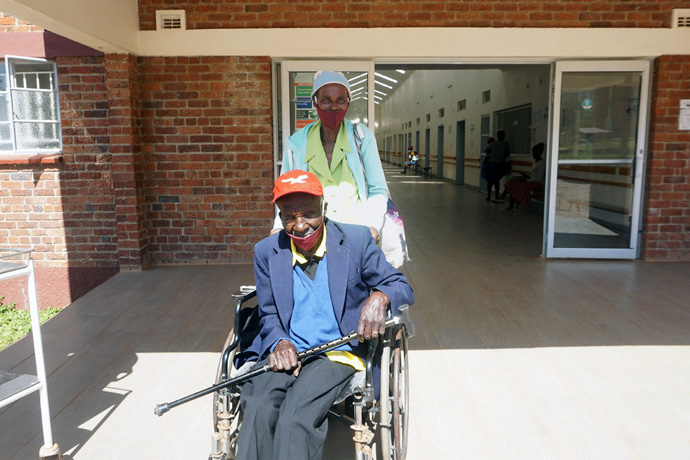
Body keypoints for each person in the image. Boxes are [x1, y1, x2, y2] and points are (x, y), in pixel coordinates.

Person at [237, 170, 415, 460]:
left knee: (296, 417)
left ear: (324, 207)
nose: (300, 225)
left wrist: (380, 297)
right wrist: (280, 341)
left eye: (308, 214)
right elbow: (268, 312)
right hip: (289, 350)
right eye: (289, 217)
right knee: (257, 405)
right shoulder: (267, 251)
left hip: (337, 351)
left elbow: (400, 285)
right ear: (280, 217)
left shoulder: (355, 241)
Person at [272, 70, 388, 245]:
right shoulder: (296, 143)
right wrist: (279, 226)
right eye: (326, 100)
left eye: (340, 100)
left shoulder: (362, 138)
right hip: (311, 233)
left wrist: (372, 225)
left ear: (348, 103)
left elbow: (378, 189)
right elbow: (286, 192)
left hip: (355, 231)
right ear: (315, 102)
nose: (333, 106)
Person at [500, 142, 546, 211]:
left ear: (539, 153)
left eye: (534, 152)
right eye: (532, 152)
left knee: (514, 184)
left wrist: (526, 180)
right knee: (513, 180)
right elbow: (533, 175)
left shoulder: (542, 163)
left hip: (537, 184)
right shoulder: (536, 161)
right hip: (531, 181)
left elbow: (539, 178)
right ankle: (506, 201)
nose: (533, 154)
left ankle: (503, 199)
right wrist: (526, 176)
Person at [483, 130, 511, 202]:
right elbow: (508, 153)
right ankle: (497, 196)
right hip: (500, 164)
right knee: (497, 181)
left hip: (492, 164)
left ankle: (489, 196)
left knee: (490, 181)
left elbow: (485, 150)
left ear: (497, 136)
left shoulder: (493, 144)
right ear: (504, 136)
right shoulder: (506, 144)